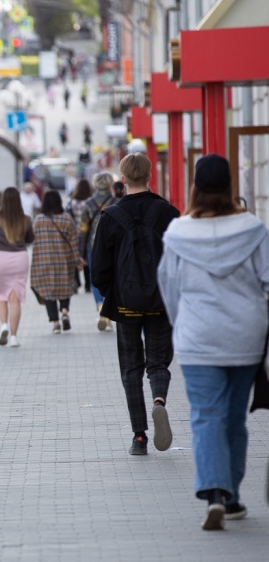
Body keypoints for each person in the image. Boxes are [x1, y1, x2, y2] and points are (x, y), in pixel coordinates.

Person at [158, 154, 269, 530]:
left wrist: (181, 325)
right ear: (229, 187)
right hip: (245, 338)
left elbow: (169, 287)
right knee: (235, 419)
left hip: (197, 338)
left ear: (195, 187)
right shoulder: (254, 230)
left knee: (206, 416)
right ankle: (233, 497)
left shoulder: (177, 234)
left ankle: (214, 495)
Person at [90, 153, 179, 457]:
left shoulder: (111, 216)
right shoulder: (168, 213)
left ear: (123, 179)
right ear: (150, 176)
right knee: (158, 362)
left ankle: (139, 437)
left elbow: (98, 268)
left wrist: (112, 292)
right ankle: (159, 401)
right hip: (160, 300)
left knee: (131, 368)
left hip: (126, 304)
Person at [0, 187, 34, 347]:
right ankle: (14, 337)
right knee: (16, 298)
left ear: (2, 200)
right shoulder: (25, 219)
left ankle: (3, 325)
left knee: (1, 296)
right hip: (19, 258)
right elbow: (30, 239)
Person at [31, 190, 82, 334]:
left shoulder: (39, 220)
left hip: (44, 262)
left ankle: (55, 323)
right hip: (65, 261)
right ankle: (64, 311)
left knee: (49, 292)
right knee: (65, 287)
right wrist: (78, 259)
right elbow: (74, 241)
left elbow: (33, 240)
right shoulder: (67, 218)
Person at [78, 171, 118, 331]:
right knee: (112, 279)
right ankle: (108, 311)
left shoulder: (88, 203)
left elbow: (83, 230)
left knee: (95, 279)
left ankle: (101, 307)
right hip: (113, 247)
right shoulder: (117, 201)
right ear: (109, 184)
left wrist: (81, 253)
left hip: (93, 247)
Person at [66, 178, 93, 293]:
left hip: (74, 234)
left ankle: (76, 282)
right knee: (86, 257)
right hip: (87, 234)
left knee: (75, 258)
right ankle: (88, 284)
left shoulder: (72, 202)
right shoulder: (91, 202)